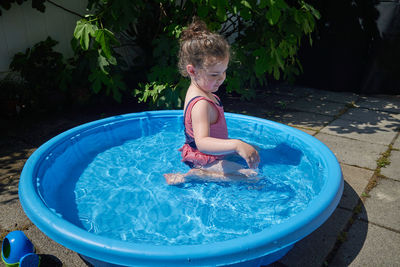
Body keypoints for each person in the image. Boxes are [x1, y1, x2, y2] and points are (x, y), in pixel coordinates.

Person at [164, 18, 260, 185]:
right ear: (192, 70)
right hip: (204, 159)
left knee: (253, 151)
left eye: (224, 72)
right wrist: (236, 145)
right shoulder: (201, 103)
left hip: (209, 153)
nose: (221, 79)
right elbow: (202, 143)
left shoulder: (202, 89)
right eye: (214, 74)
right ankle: (193, 175)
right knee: (251, 176)